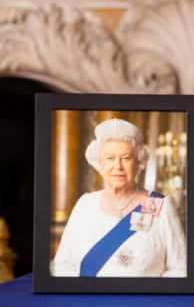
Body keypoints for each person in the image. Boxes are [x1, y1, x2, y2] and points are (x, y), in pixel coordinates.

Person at [51, 118, 187, 277]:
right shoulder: (85, 204)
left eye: (126, 158)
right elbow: (62, 264)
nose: (118, 166)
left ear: (139, 162)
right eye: (109, 158)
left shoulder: (160, 206)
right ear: (99, 164)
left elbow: (180, 269)